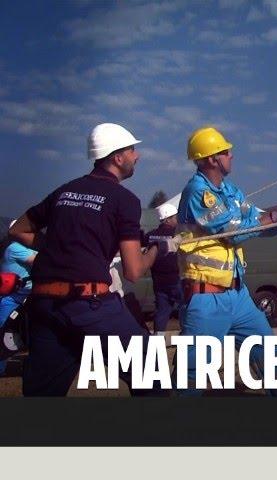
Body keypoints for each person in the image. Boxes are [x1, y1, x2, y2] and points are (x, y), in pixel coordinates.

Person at [9, 123, 166, 396]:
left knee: (41, 398)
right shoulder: (124, 200)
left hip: (44, 306)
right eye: (132, 150)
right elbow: (132, 271)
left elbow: (17, 230)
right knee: (153, 374)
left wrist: (58, 247)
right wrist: (158, 250)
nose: (137, 156)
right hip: (89, 306)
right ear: (117, 158)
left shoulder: (64, 191)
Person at [174, 126, 277, 396]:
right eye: (226, 151)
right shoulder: (199, 193)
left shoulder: (230, 190)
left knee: (269, 356)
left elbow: (258, 217)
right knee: (192, 376)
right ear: (212, 159)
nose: (231, 155)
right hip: (206, 298)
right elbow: (233, 231)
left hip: (238, 296)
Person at [0, 220, 37, 375]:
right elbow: (38, 260)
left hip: (21, 296)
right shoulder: (15, 248)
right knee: (4, 330)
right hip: (16, 297)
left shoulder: (17, 247)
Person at [144, 203, 180, 336]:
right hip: (176, 280)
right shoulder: (177, 236)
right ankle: (189, 338)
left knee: (162, 311)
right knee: (187, 308)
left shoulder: (149, 236)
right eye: (175, 217)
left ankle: (158, 341)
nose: (177, 220)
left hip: (158, 282)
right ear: (167, 219)